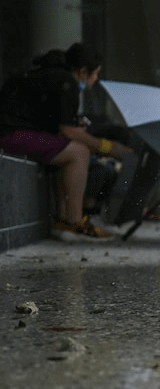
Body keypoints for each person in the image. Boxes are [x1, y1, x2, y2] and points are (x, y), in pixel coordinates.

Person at [0, 43, 132, 241]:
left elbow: (59, 124)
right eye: (95, 74)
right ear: (82, 71)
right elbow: (67, 131)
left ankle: (64, 220)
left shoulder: (53, 76)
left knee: (69, 150)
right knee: (79, 152)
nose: (96, 79)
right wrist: (108, 147)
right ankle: (74, 222)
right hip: (10, 133)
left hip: (12, 131)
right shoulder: (67, 82)